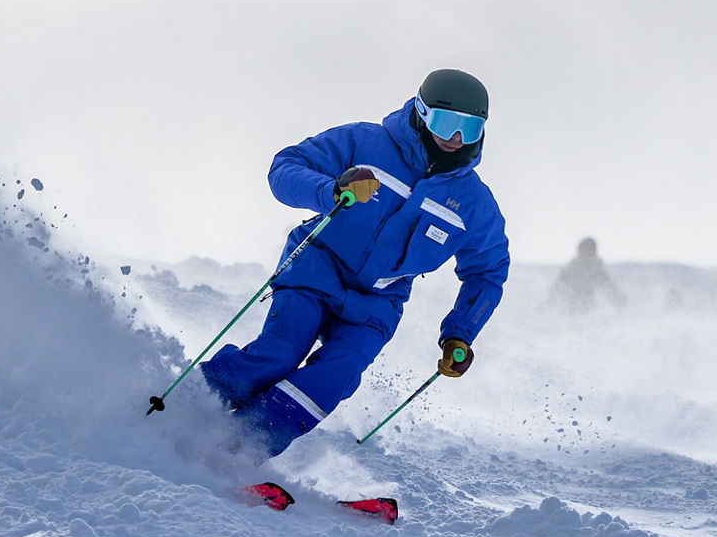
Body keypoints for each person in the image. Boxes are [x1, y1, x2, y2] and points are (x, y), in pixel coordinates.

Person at [200, 69, 512, 455]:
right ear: (422, 111)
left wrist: (461, 332)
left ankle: (242, 448)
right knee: (279, 353)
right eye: (448, 123)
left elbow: (488, 272)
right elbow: (284, 167)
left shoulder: (473, 202)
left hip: (376, 303)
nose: (456, 138)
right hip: (315, 271)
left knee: (337, 375)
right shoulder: (365, 143)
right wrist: (330, 190)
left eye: (471, 128)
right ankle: (190, 405)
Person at [543, 237, 628, 315]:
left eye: (590, 249)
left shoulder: (596, 267)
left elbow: (607, 286)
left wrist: (617, 299)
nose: (587, 252)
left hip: (588, 304)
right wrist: (548, 303)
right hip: (572, 304)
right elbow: (558, 286)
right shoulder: (573, 266)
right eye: (585, 249)